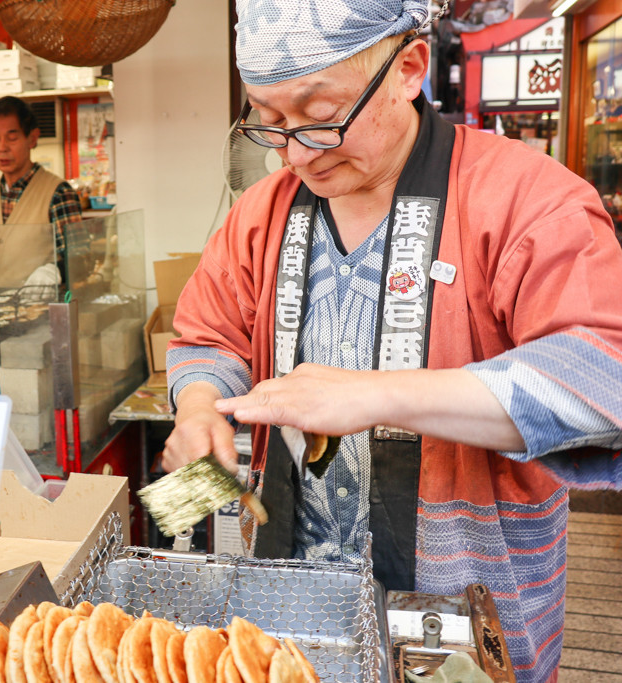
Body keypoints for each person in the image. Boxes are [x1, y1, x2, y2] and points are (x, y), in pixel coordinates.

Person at [163, 2, 622, 682]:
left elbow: (604, 376)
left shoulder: (526, 197)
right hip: (290, 616)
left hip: (467, 617)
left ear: (409, 68)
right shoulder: (262, 211)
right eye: (269, 120)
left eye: (320, 117)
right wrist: (199, 406)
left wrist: (376, 394)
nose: (294, 152)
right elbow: (208, 333)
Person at [0, 96, 87, 294]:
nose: (2, 147)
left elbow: (79, 259)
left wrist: (52, 272)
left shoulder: (58, 193)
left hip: (42, 309)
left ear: (32, 138)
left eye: (12, 138)